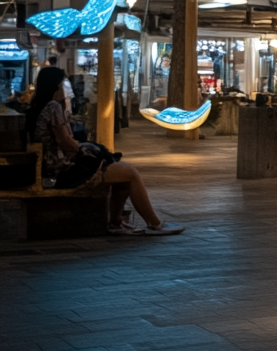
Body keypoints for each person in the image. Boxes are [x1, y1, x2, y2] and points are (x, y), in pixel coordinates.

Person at [24, 67, 184, 236]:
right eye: (64, 84)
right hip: (64, 171)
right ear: (57, 86)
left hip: (51, 169)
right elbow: (67, 144)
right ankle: (155, 224)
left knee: (123, 174)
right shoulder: (53, 107)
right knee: (131, 172)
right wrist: (86, 146)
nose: (67, 88)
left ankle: (116, 222)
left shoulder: (37, 107)